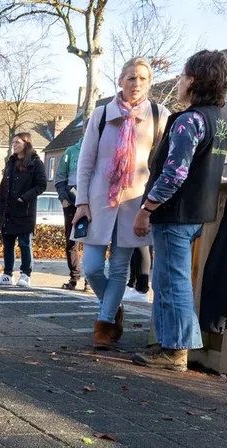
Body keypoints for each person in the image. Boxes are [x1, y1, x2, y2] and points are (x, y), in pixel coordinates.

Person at [132, 50, 227, 371]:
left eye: (184, 75)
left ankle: (176, 351)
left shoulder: (190, 120)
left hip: (174, 213)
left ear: (196, 80)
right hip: (198, 213)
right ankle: (166, 343)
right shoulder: (220, 121)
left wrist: (146, 208)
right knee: (165, 279)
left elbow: (175, 173)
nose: (178, 81)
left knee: (173, 281)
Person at [73, 57, 170, 349]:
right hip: (99, 201)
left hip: (135, 203)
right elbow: (86, 160)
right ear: (120, 81)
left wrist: (153, 204)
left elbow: (163, 162)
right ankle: (114, 308)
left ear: (149, 82)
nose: (136, 83)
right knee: (90, 267)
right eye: (131, 78)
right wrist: (81, 202)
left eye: (142, 78)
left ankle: (103, 324)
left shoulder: (159, 114)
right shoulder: (102, 114)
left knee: (118, 269)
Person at [0, 133, 47, 287]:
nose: (14, 145)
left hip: (25, 210)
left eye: (17, 142)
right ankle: (7, 274)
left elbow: (41, 184)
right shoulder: (11, 162)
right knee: (8, 243)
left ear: (26, 143)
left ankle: (25, 274)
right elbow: (4, 183)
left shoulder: (36, 162)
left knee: (24, 243)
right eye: (13, 142)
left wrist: (24, 197)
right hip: (9, 209)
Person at [55, 126, 89, 291]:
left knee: (91, 241)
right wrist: (63, 199)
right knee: (71, 241)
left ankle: (90, 281)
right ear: (84, 130)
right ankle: (74, 278)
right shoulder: (70, 152)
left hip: (92, 204)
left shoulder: (102, 151)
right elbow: (60, 177)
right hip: (71, 202)